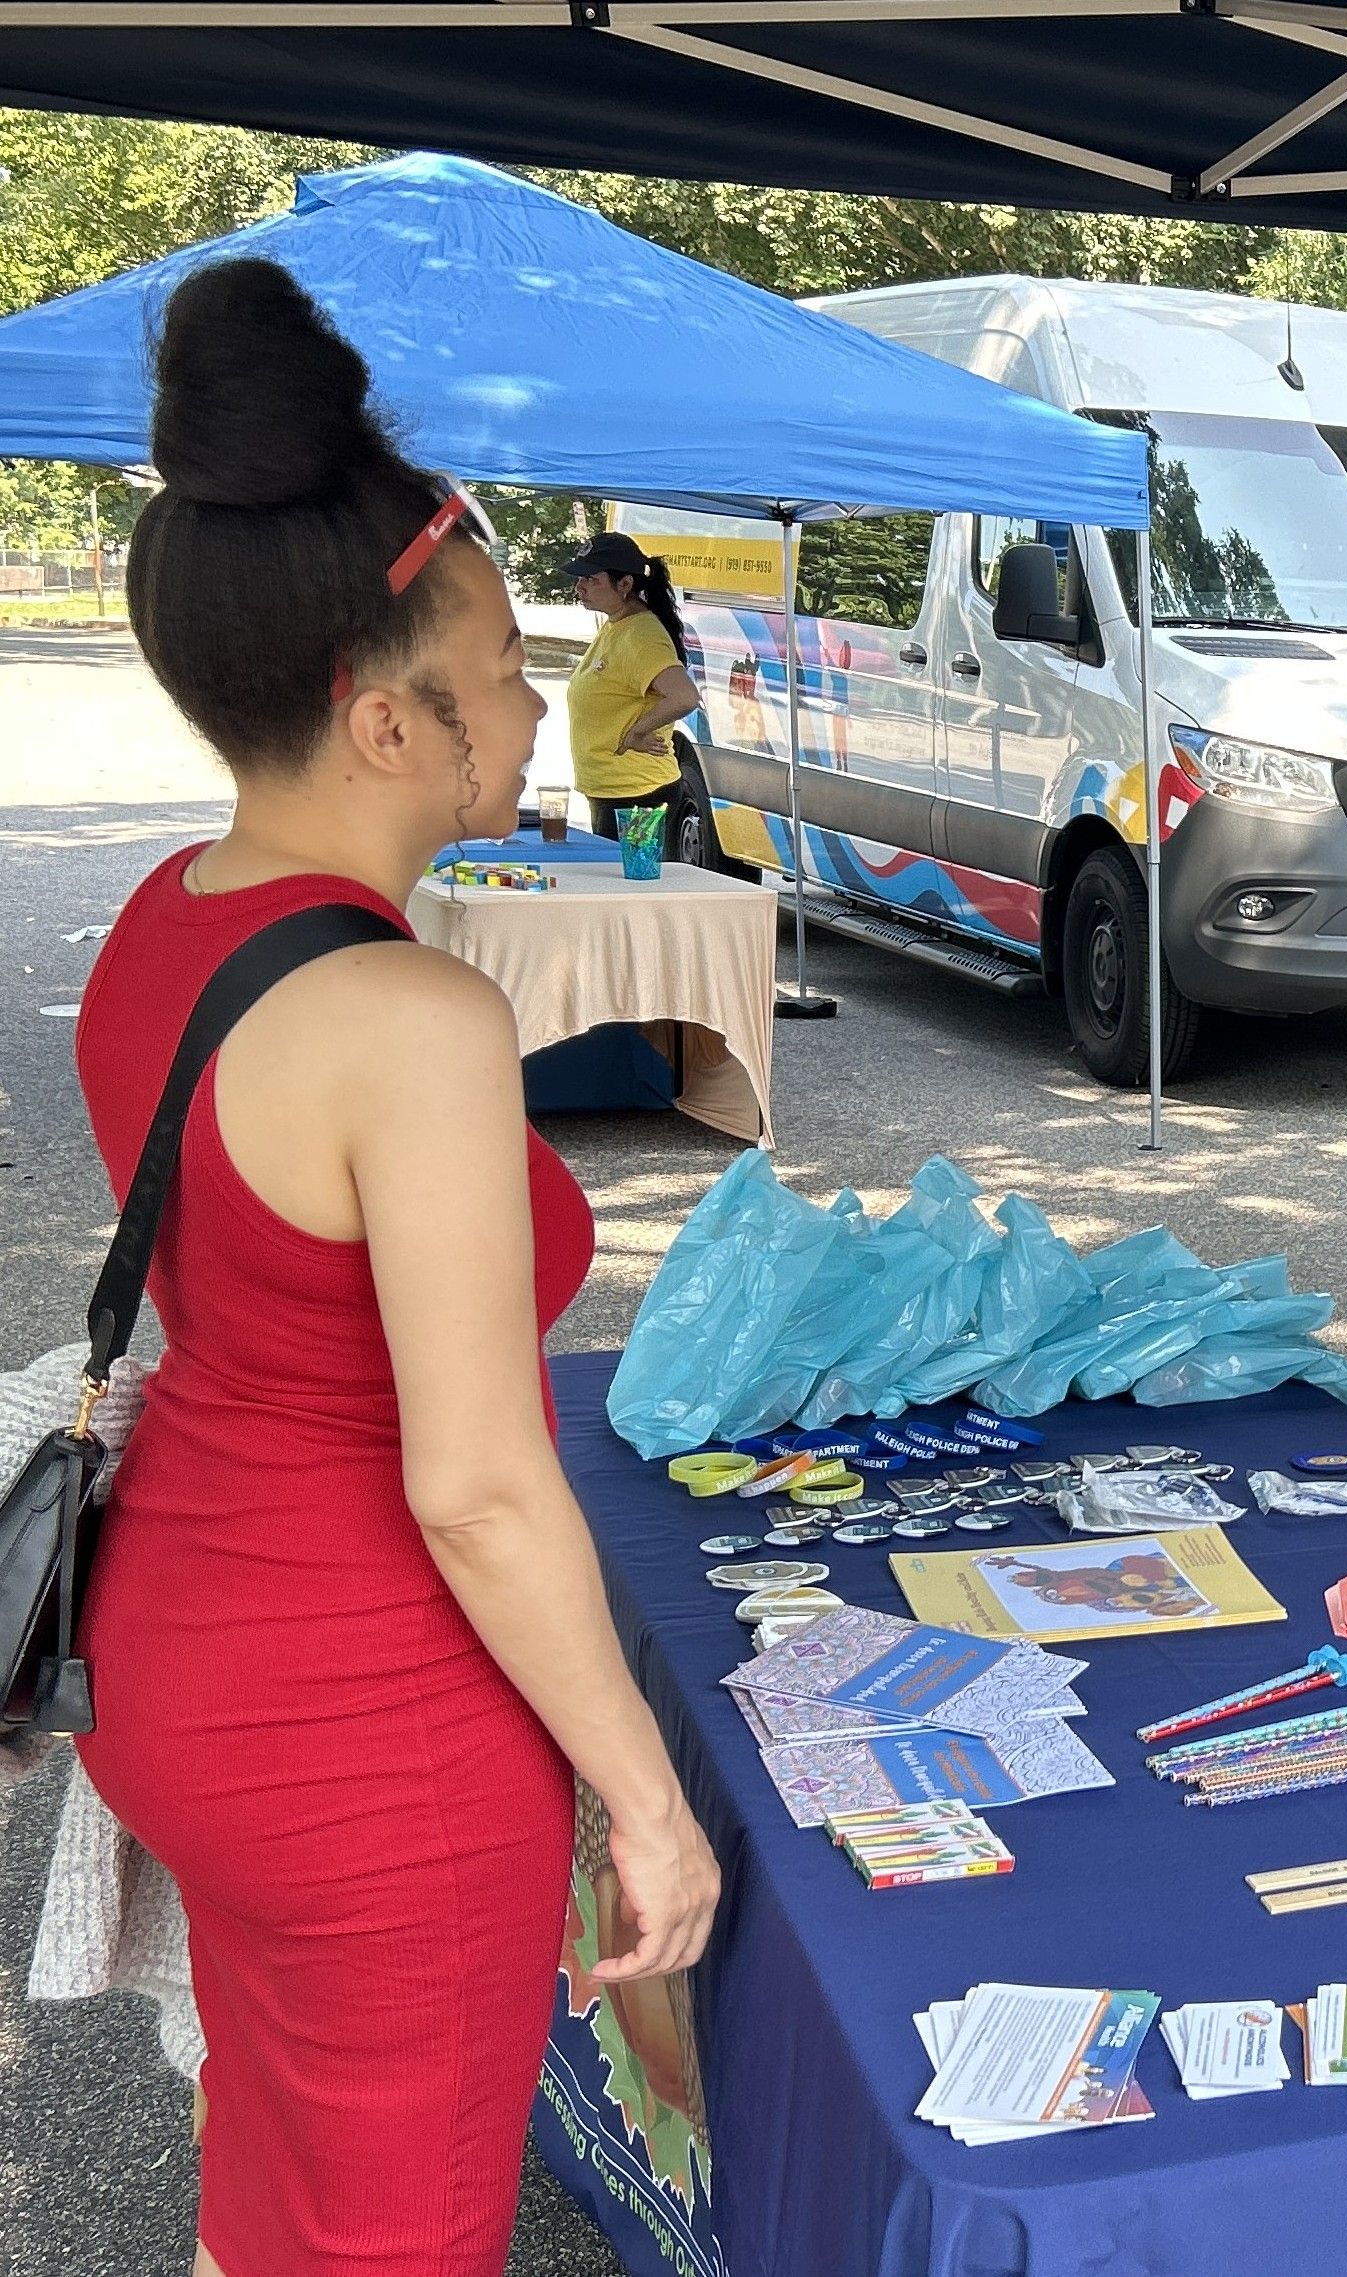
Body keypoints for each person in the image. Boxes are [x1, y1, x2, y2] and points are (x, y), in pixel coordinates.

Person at [71, 258, 719, 2277]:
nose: (539, 699)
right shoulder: (410, 1018)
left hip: (181, 1640)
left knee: (275, 2174)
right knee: (397, 2226)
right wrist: (647, 1797)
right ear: (381, 713)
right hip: (370, 1722)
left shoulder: (168, 919)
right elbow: (479, 1483)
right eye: (503, 664)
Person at [559, 528, 704, 843]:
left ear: (625, 584)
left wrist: (637, 731)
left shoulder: (642, 635)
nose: (579, 587)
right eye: (580, 578)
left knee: (631, 884)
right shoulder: (619, 624)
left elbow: (684, 696)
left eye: (591, 580)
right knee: (617, 884)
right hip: (615, 789)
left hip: (638, 793)